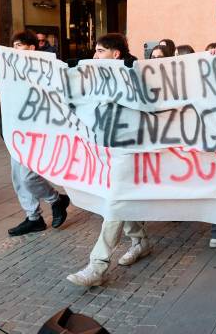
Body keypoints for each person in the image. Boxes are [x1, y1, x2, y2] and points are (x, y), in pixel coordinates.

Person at [67, 33, 150, 287]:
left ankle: (97, 266)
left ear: (116, 54)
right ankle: (140, 241)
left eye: (100, 51)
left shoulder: (137, 75)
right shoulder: (94, 76)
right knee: (118, 199)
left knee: (114, 203)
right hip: (104, 150)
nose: (95, 56)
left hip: (130, 150)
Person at [0, 30, 71, 236]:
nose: (15, 50)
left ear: (31, 48)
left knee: (28, 177)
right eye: (13, 46)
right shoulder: (8, 69)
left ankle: (56, 200)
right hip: (16, 133)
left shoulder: (47, 67)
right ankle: (33, 217)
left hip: (38, 134)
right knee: (19, 179)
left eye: (19, 46)